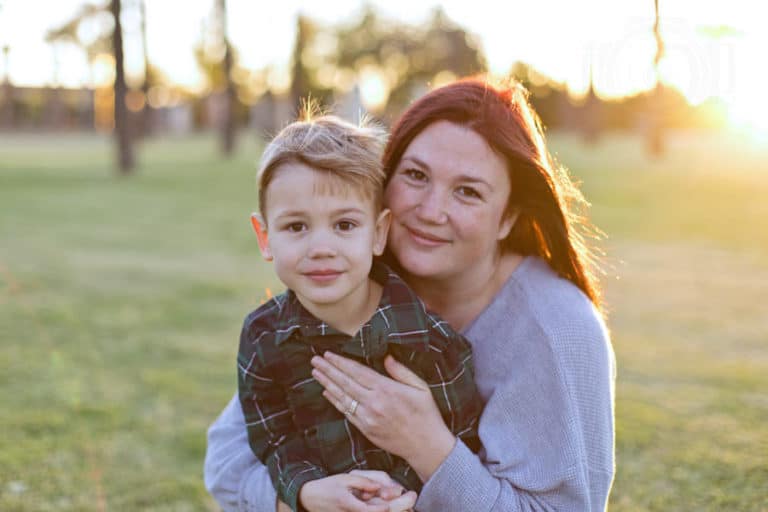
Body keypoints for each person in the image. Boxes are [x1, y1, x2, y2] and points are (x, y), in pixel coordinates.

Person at [205, 78, 616, 512]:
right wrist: (304, 499)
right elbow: (229, 465)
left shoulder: (556, 329)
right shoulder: (357, 283)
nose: (431, 211)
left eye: (468, 191)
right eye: (416, 176)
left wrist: (428, 446)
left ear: (507, 217)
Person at [237, 114, 482, 512]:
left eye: (345, 224)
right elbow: (274, 437)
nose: (321, 247)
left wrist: (395, 496)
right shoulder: (263, 336)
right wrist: (305, 491)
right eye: (297, 227)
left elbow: (463, 445)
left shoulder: (432, 343)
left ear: (379, 233)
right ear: (265, 237)